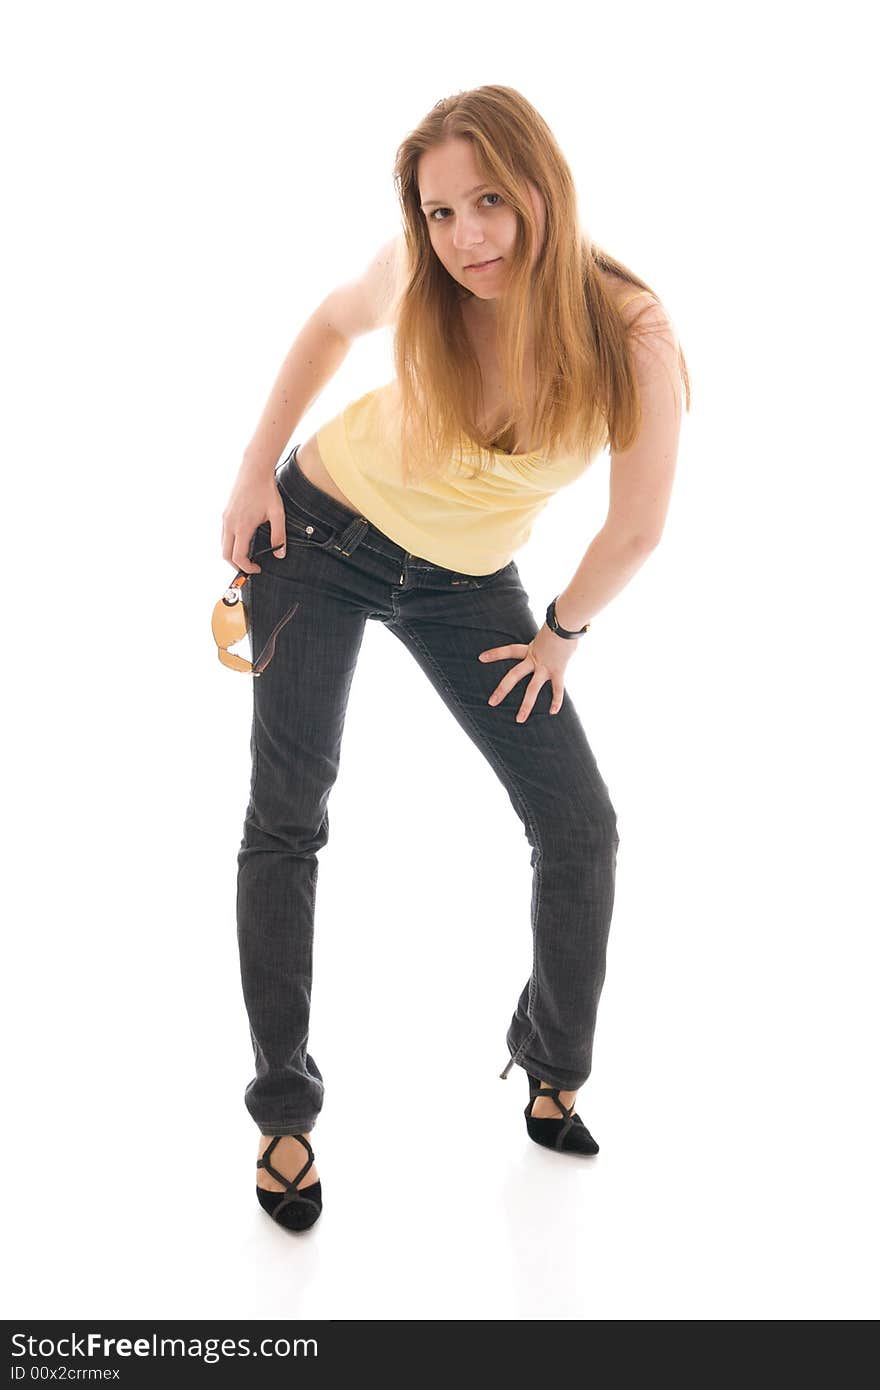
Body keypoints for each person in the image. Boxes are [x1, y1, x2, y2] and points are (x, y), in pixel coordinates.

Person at [221, 84, 689, 1231]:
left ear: (544, 187)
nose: (465, 236)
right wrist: (248, 472)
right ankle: (284, 1114)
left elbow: (636, 527)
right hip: (318, 537)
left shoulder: (629, 331)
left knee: (578, 825)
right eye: (439, 213)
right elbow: (330, 325)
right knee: (289, 815)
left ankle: (550, 1064)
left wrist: (559, 636)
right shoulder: (419, 276)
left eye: (489, 200)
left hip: (468, 588)